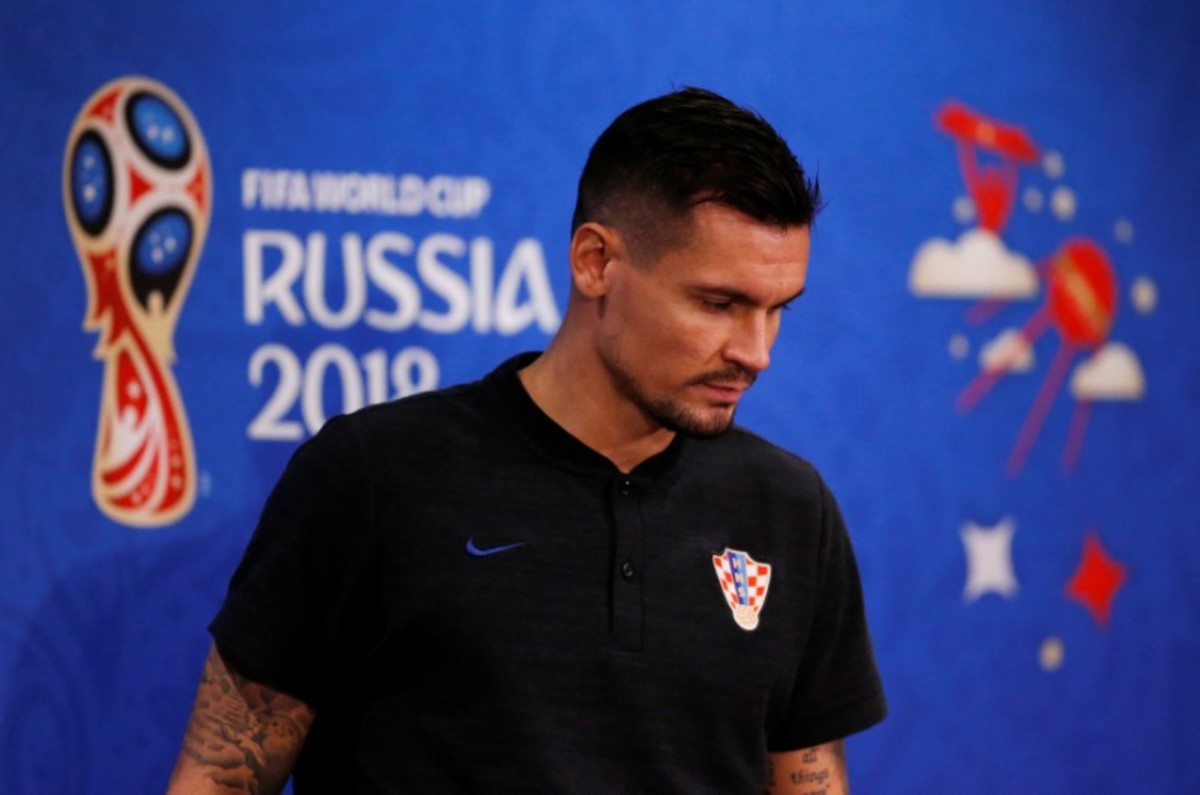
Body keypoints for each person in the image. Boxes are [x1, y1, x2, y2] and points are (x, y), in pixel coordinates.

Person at [168, 86, 886, 794]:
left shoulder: (791, 509)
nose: (756, 352)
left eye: (777, 309)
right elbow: (218, 779)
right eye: (719, 303)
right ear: (595, 261)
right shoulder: (374, 474)